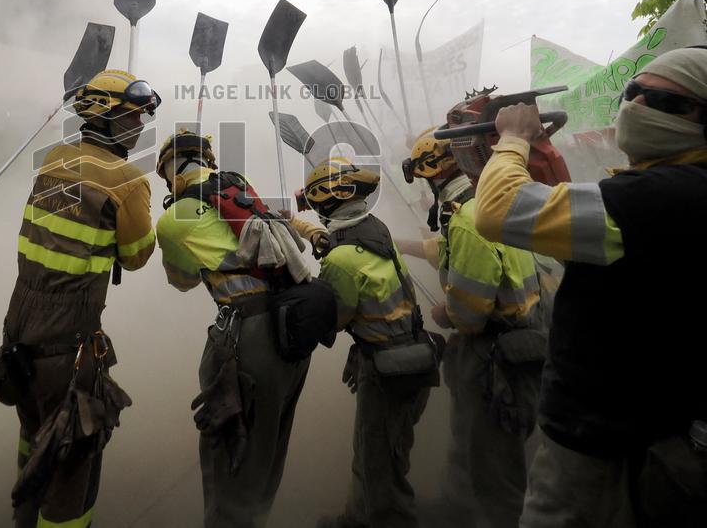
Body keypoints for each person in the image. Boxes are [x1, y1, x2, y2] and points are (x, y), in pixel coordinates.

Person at [473, 47, 707, 528]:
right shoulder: (666, 189)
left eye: (662, 102)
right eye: (633, 93)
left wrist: (512, 140)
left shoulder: (664, 195)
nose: (636, 107)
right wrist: (541, 160)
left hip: (606, 449)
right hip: (656, 437)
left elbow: (497, 211)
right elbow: (591, 247)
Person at [5, 69, 158, 528]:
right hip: (69, 341)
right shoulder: (128, 179)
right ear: (104, 117)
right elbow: (135, 257)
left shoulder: (52, 157)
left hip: (19, 326)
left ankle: (21, 517)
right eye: (131, 119)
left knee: (33, 433)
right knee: (75, 453)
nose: (138, 128)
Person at [155, 129, 311, 528]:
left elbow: (183, 281)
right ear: (207, 160)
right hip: (292, 328)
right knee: (266, 452)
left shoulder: (174, 219)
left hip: (246, 339)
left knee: (231, 455)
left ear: (169, 172)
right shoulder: (241, 189)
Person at [401, 128, 543, 528]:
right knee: (471, 446)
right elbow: (444, 248)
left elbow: (471, 308)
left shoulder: (465, 220)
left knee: (493, 465)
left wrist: (449, 314)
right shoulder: (481, 203)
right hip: (513, 347)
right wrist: (397, 243)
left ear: (433, 172)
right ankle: (458, 510)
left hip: (494, 354)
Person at [287, 157, 436, 528]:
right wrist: (297, 226)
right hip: (414, 358)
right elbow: (337, 247)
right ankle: (356, 519)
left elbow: (335, 319)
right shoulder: (376, 233)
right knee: (380, 455)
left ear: (327, 203)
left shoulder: (340, 259)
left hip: (386, 373)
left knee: (378, 465)